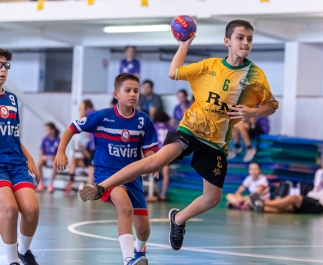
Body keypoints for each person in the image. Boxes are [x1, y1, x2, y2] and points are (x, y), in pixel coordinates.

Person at [78, 19, 278, 251]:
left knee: (212, 199)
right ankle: (101, 187)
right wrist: (184, 45)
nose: (245, 42)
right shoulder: (210, 66)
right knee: (154, 162)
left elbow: (272, 105)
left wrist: (253, 111)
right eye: (240, 37)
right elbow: (174, 73)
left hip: (216, 141)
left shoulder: (254, 75)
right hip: (191, 129)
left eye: (249, 39)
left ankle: (179, 219)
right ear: (227, 41)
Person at [55, 73, 158, 265]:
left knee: (143, 229)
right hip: (107, 175)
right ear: (116, 94)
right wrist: (61, 151)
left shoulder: (144, 121)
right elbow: (71, 128)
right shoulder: (102, 117)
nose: (133, 94)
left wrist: (153, 162)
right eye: (127, 90)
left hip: (133, 177)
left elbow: (149, 150)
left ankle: (139, 251)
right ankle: (129, 260)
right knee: (124, 207)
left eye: (136, 90)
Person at [0, 48, 41, 265]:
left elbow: (12, 134)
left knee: (32, 210)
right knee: (9, 209)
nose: (2, 70)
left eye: (6, 65)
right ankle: (11, 260)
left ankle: (24, 251)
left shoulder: (12, 99)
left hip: (16, 163)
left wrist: (30, 158)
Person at [249, 156, 323, 215]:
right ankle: (260, 207)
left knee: (294, 198)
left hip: (321, 204)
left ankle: (261, 202)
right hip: (312, 198)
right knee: (288, 208)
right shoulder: (319, 172)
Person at [64, 99, 95, 193]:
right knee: (74, 160)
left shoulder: (91, 114)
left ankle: (91, 190)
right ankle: (71, 180)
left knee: (91, 167)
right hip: (92, 150)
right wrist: (82, 148)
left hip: (97, 149)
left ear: (87, 108)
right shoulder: (89, 123)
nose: (79, 111)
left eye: (80, 108)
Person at [153, 110, 176, 201]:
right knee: (166, 173)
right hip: (167, 153)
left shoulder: (154, 126)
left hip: (156, 153)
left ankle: (153, 190)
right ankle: (163, 193)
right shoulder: (170, 127)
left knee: (154, 171)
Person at [37, 122, 61, 193]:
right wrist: (44, 157)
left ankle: (50, 184)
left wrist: (52, 157)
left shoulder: (58, 140)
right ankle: (41, 183)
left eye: (47, 129)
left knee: (55, 164)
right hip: (46, 159)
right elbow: (41, 153)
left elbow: (59, 154)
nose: (45, 131)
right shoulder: (44, 139)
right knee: (39, 163)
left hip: (54, 159)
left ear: (52, 130)